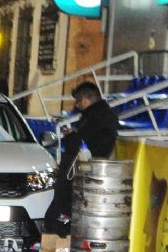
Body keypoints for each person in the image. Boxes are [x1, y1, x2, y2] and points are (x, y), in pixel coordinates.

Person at [44, 80, 121, 235]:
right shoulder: (102, 115)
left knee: (59, 216)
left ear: (85, 100)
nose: (77, 107)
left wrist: (70, 135)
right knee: (58, 215)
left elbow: (82, 143)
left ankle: (59, 246)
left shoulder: (94, 116)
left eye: (78, 102)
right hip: (83, 173)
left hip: (81, 174)